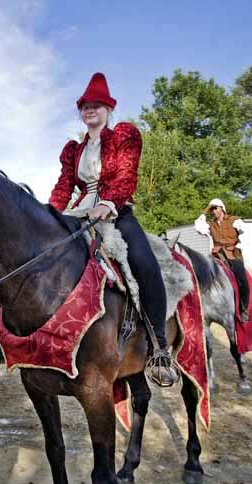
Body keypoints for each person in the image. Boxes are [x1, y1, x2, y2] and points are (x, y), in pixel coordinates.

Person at [49, 72, 177, 386]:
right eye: (85, 106)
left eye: (97, 105)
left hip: (116, 213)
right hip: (79, 213)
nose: (90, 110)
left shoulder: (123, 135)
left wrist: (108, 203)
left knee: (144, 264)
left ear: (108, 110)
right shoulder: (73, 150)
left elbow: (125, 175)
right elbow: (64, 186)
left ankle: (159, 346)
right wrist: (49, 213)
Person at [195, 198, 250, 322]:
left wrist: (238, 247)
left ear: (222, 208)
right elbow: (197, 227)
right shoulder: (210, 224)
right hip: (216, 255)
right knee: (203, 276)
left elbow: (246, 234)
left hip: (232, 254)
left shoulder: (234, 220)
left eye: (215, 208)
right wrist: (204, 212)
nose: (213, 211)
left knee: (242, 280)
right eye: (211, 209)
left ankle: (244, 309)